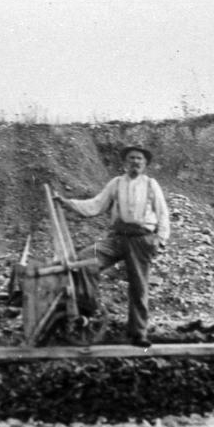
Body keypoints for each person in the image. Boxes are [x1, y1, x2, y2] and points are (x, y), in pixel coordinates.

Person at [54, 146, 170, 346]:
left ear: (145, 164)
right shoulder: (116, 183)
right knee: (85, 260)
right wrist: (68, 203)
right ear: (125, 162)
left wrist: (161, 239)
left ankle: (138, 333)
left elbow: (162, 213)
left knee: (138, 286)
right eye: (131, 158)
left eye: (139, 159)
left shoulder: (151, 185)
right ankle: (89, 307)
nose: (135, 162)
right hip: (117, 238)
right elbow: (96, 204)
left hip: (141, 239)